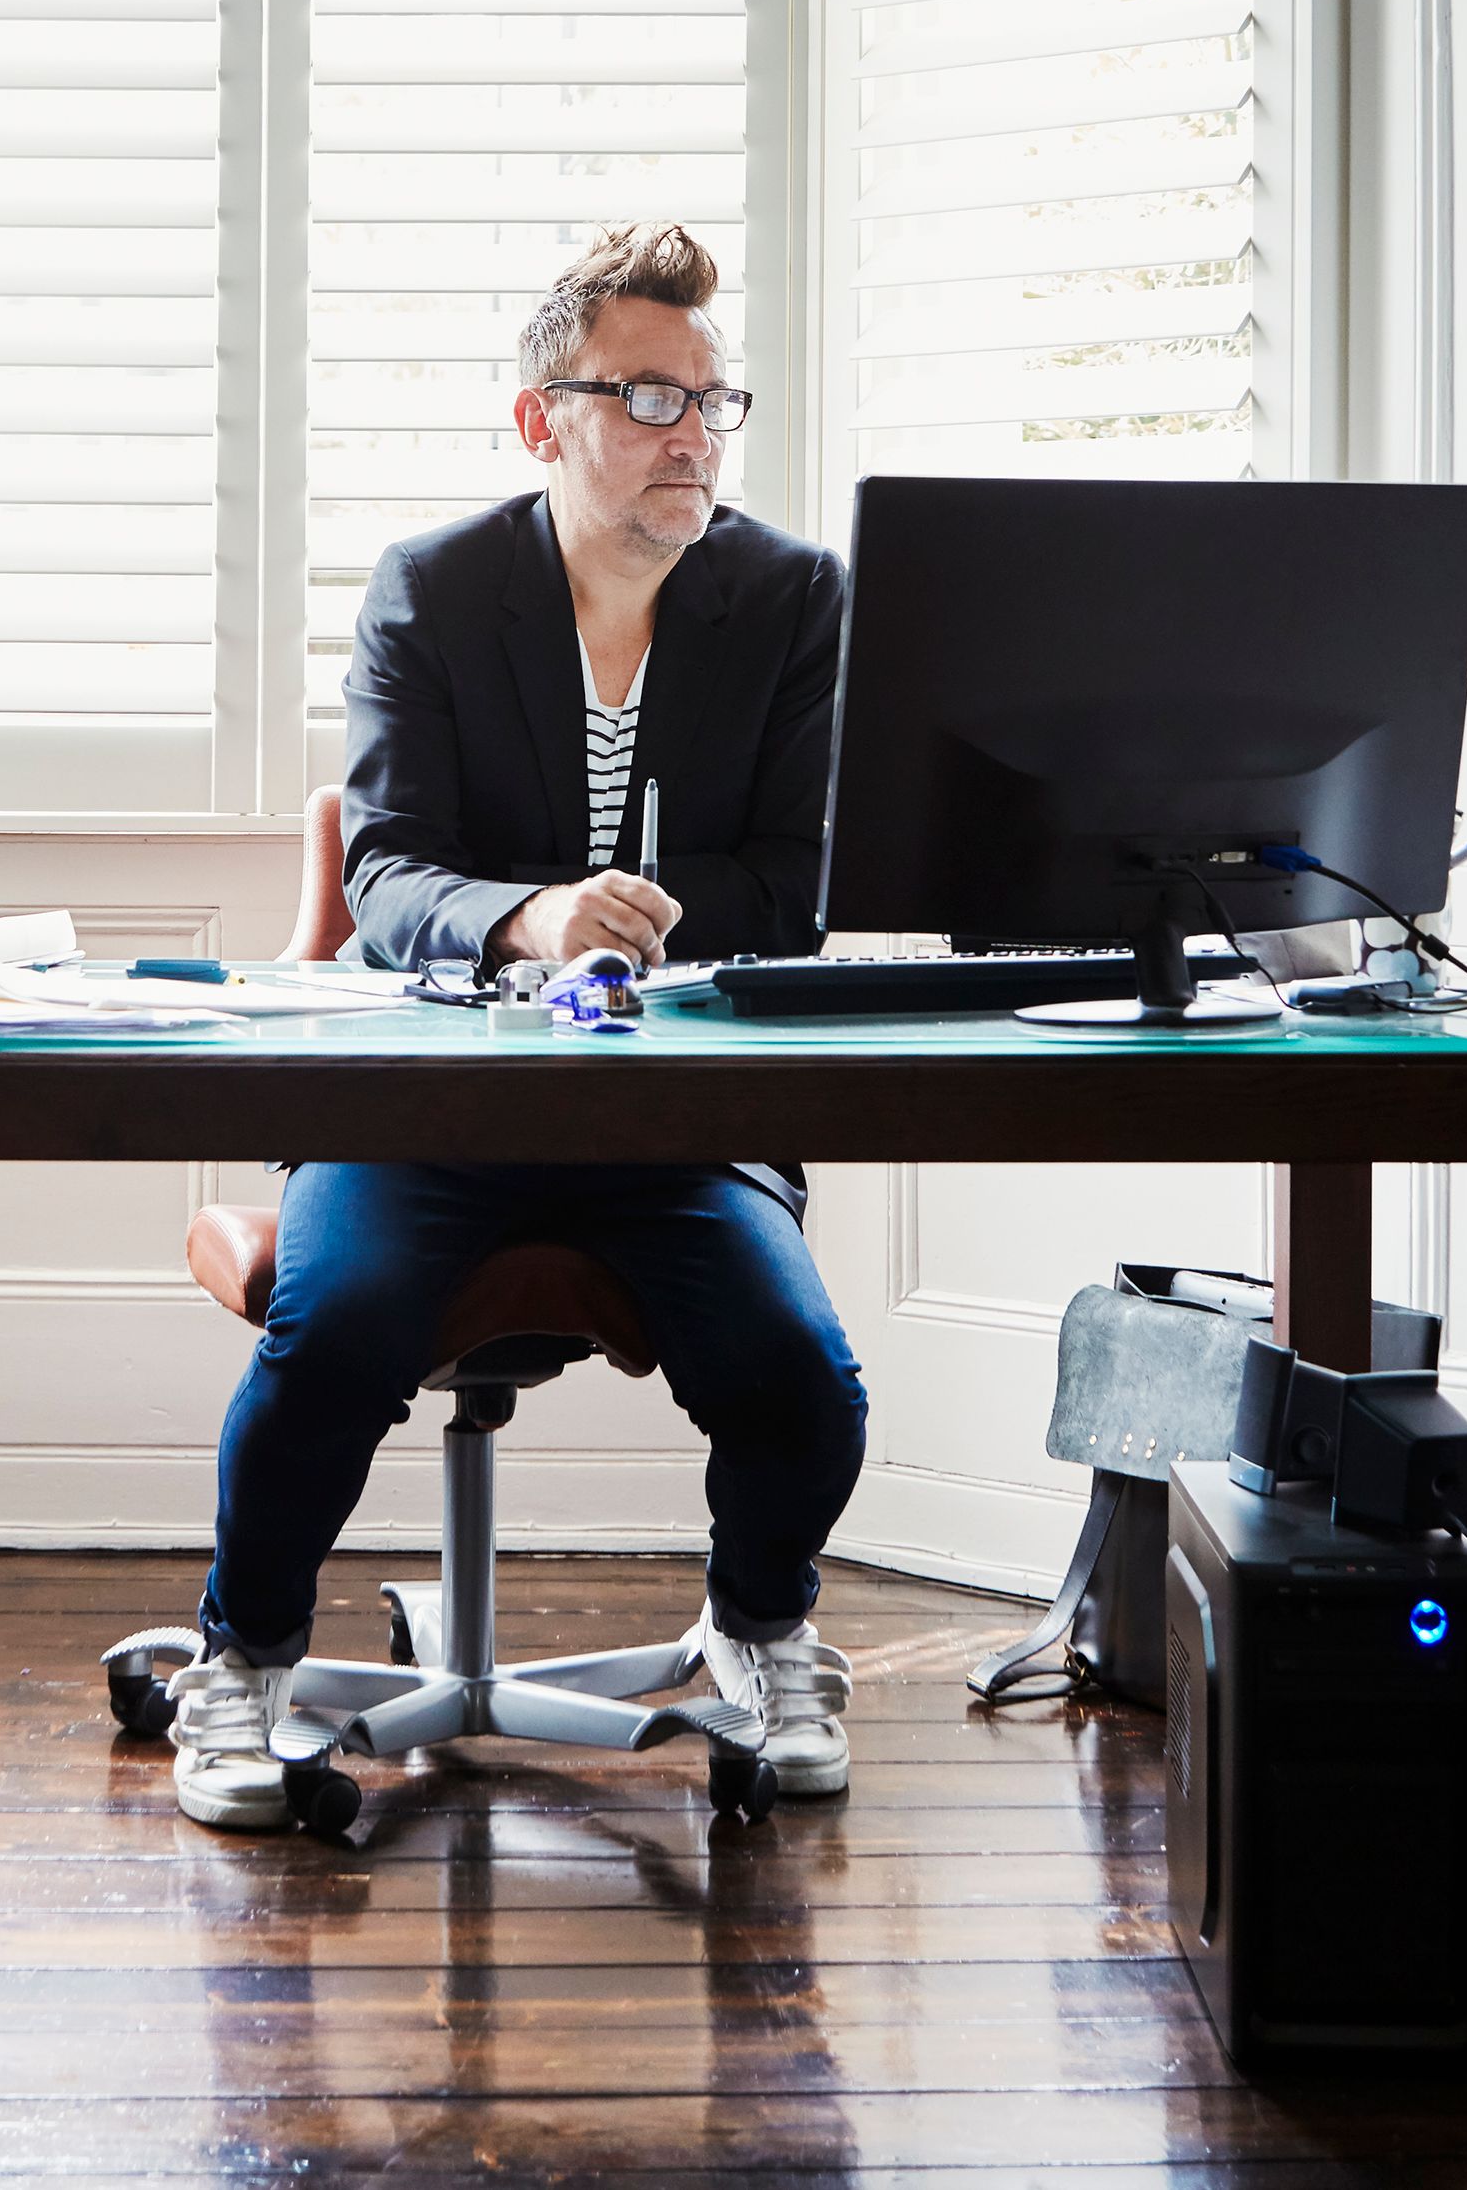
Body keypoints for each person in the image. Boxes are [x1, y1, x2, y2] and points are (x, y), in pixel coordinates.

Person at [167, 222, 866, 1831]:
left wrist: (638, 916)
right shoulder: (437, 586)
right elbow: (389, 865)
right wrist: (531, 915)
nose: (688, 430)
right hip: (435, 1104)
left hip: (672, 1115)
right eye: (642, 395)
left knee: (800, 1376)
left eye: (708, 398)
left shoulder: (785, 597)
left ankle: (759, 1629)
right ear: (540, 417)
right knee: (331, 1335)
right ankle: (245, 1661)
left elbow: (793, 880)